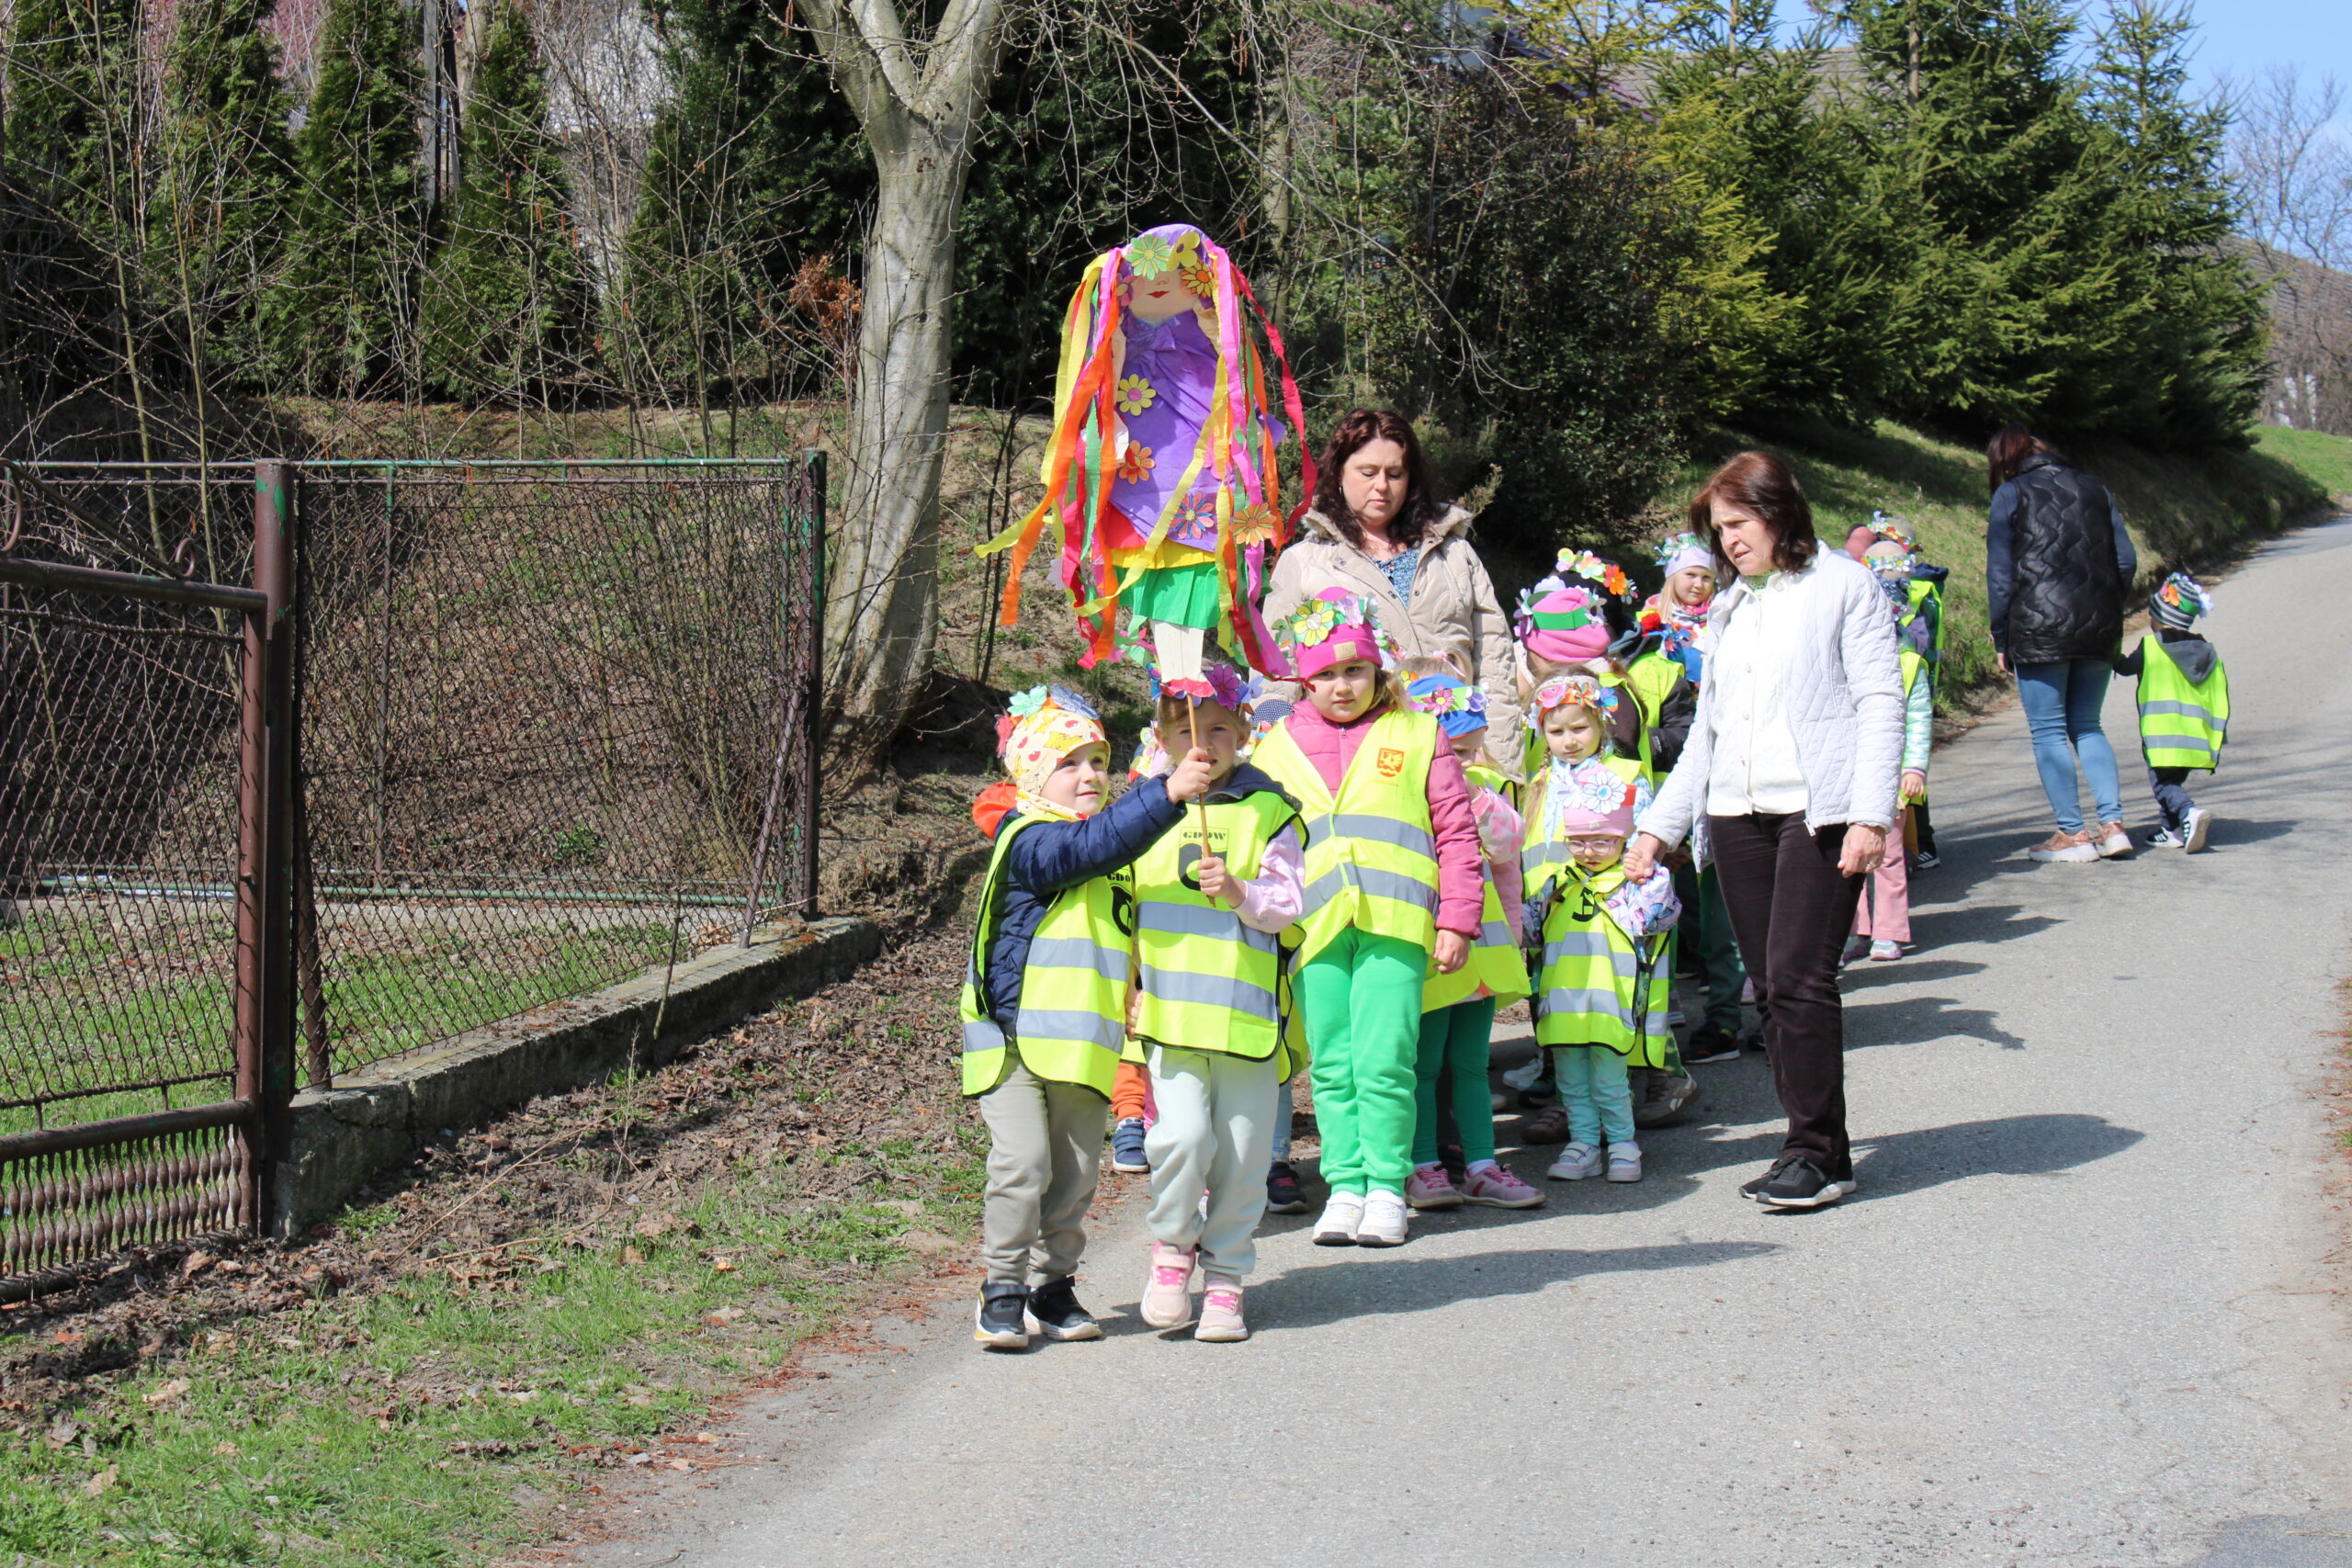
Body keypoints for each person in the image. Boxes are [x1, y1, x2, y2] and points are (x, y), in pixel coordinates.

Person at [1625, 450, 1905, 1212]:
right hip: (1734, 814)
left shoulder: (1843, 585)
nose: (1730, 541)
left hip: (1819, 810)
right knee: (1772, 992)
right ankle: (1817, 1149)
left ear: (1779, 512)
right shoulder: (1730, 606)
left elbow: (1880, 699)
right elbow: (1708, 731)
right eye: (1719, 530)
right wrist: (1657, 829)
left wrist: (1871, 814)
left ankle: (1813, 1151)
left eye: (1739, 523)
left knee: (1799, 978)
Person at [960, 685, 1214, 1350]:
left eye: (1098, 761)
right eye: (1068, 763)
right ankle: (1002, 1287)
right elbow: (1084, 850)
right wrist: (1166, 793)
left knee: (1074, 1175)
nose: (1089, 775)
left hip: (1085, 1042)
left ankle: (1053, 1285)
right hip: (1012, 1040)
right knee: (1023, 1165)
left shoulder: (1113, 847)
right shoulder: (1027, 838)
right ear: (1032, 775)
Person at [1249, 589, 1485, 1248]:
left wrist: (1457, 920)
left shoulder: (1418, 732)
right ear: (1304, 679)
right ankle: (1345, 1185)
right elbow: (1255, 842)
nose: (1342, 685)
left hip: (1396, 924)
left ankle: (1385, 1185)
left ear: (1378, 669)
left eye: (1354, 669)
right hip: (1315, 929)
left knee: (1385, 1060)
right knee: (1332, 1063)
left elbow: (1457, 833)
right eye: (1325, 673)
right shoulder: (1274, 747)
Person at [1129, 662, 1305, 1344]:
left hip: (1247, 1021)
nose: (1202, 744)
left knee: (1241, 1158)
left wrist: (1237, 891)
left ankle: (1227, 1276)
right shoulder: (1142, 812)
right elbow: (1119, 912)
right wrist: (1127, 987)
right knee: (1179, 1139)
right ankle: (1174, 1250)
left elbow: (1287, 906)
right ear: (1162, 739)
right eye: (1185, 731)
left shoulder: (1271, 811)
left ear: (1243, 735)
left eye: (1219, 731)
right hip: (1171, 1019)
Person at [1264, 410, 1523, 773]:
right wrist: (1271, 760)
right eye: (1368, 472)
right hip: (1363, 767)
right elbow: (1277, 674)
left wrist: (1503, 768)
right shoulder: (1305, 563)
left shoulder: (1455, 554)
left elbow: (1495, 663)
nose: (1382, 486)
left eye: (1395, 473)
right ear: (1338, 474)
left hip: (1461, 758)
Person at [1401, 667, 1544, 1213]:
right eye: (1450, 752)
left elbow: (1509, 846)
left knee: (1469, 1063)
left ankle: (1483, 1166)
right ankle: (1423, 1163)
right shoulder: (1402, 796)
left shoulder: (1483, 791)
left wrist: (1471, 795)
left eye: (1466, 751)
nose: (1458, 763)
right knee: (1424, 1064)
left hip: (1482, 949)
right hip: (1430, 948)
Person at [1522, 677, 1673, 1182]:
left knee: (1608, 1062)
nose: (1569, 740)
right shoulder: (1540, 781)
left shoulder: (1624, 775)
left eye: (1579, 728)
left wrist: (1640, 877)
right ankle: (1583, 1143)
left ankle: (1622, 1143)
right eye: (1556, 730)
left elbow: (1649, 848)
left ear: (1601, 725)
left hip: (1612, 927)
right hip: (1557, 926)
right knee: (1568, 1059)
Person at [1984, 423, 2139, 863]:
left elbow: (2001, 575)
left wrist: (2002, 634)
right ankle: (2113, 826)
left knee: (2049, 731)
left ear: (2006, 462)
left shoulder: (2011, 494)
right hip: (2097, 625)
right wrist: (2106, 604)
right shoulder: (2095, 489)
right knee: (2088, 725)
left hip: (2037, 627)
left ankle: (2073, 834)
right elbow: (2126, 560)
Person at [1636, 534, 1750, 1065]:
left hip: (1747, 776)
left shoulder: (1731, 619)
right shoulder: (1653, 633)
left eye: (1707, 575)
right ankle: (1717, 1010)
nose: (1700, 585)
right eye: (1691, 574)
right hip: (1694, 774)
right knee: (1696, 894)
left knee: (1736, 910)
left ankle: (1755, 1013)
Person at [1845, 536, 1936, 964]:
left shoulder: (1910, 664)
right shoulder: (1845, 661)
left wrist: (1914, 767)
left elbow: (1918, 719)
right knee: (1849, 857)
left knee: (1890, 856)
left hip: (1892, 776)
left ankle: (1890, 930)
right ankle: (1854, 928)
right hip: (1847, 774)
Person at [2114, 571, 2228, 852]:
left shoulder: (2152, 647)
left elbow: (2125, 667)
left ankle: (2188, 812)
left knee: (2163, 785)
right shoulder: (2206, 651)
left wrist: (2109, 649)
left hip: (2163, 736)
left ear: (2160, 617)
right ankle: (2171, 830)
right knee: (2172, 781)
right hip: (2195, 737)